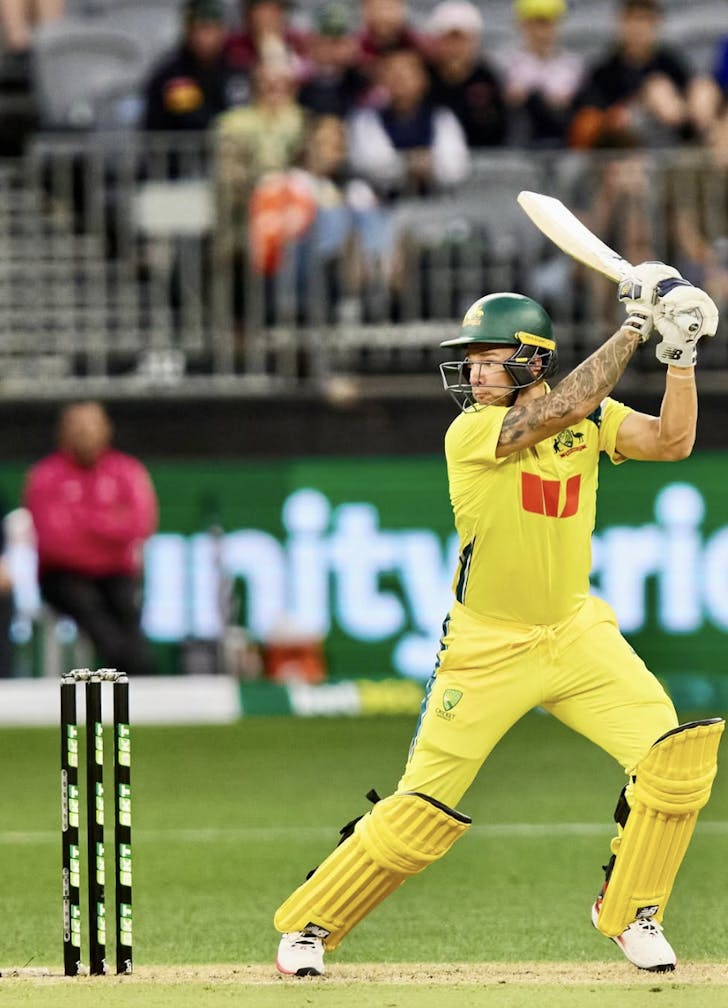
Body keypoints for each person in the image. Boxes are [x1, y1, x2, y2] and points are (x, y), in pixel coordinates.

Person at [272, 265, 724, 976]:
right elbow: (552, 414)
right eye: (473, 363)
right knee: (421, 808)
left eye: (489, 361)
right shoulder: (475, 431)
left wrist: (681, 355)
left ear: (532, 362)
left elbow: (672, 441)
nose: (475, 376)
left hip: (576, 634)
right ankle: (309, 926)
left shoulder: (591, 417)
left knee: (675, 763)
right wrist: (636, 328)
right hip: (486, 649)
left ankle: (635, 912)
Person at [23, 401, 158, 676]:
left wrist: (82, 522)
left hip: (115, 573)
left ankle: (138, 676)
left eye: (92, 425)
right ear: (63, 432)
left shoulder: (127, 471)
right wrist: (108, 524)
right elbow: (53, 541)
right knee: (88, 606)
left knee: (126, 605)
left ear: (107, 429)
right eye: (78, 427)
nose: (85, 433)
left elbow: (139, 526)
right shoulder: (44, 476)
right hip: (62, 576)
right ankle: (132, 670)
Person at [569, 0, 719, 149]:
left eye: (645, 21)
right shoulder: (605, 71)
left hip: (671, 133)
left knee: (703, 87)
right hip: (630, 140)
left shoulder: (668, 62)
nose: (638, 29)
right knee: (658, 89)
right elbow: (590, 111)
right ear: (621, 24)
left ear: (655, 25)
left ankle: (701, 139)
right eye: (633, 20)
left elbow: (689, 90)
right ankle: (693, 137)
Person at [143, 0, 247, 133]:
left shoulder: (238, 71)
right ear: (187, 31)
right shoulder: (168, 76)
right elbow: (152, 131)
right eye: (198, 29)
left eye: (211, 29)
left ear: (223, 32)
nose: (204, 38)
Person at [425, 0, 508, 149]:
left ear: (474, 41)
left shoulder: (487, 78)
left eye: (462, 40)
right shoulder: (424, 79)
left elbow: (500, 129)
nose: (455, 48)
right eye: (449, 39)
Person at [501, 0, 585, 148]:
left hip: (562, 140)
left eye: (546, 23)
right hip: (519, 140)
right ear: (522, 25)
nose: (540, 32)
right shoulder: (506, 63)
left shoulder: (573, 65)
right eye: (534, 24)